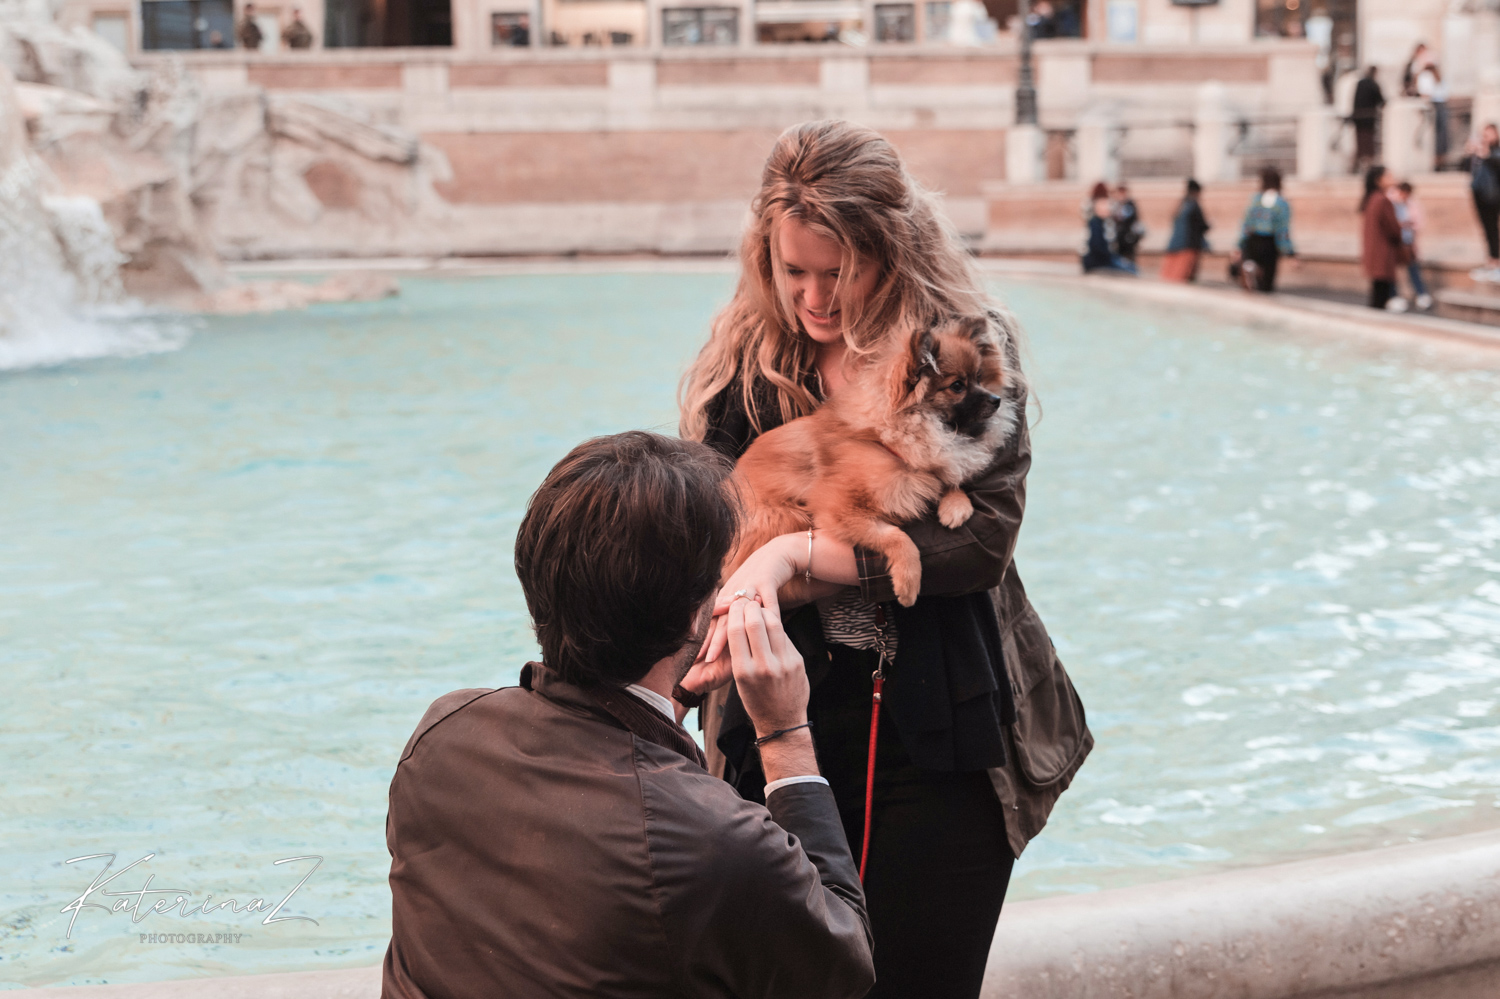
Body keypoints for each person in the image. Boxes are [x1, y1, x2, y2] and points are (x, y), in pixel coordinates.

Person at [677, 119, 1093, 999]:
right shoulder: (743, 372)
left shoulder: (964, 353)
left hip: (943, 735)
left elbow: (977, 541)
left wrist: (797, 554)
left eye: (841, 271)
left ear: (892, 251)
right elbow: (709, 543)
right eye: (794, 272)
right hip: (774, 734)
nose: (815, 297)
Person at [383, 432, 875, 999]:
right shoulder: (712, 838)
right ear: (697, 613)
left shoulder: (443, 732)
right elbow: (841, 964)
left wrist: (678, 697)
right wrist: (784, 733)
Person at [1234, 167, 1295, 293]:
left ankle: (1251, 268)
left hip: (1253, 241)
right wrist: (1289, 252)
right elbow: (1282, 229)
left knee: (1251, 290)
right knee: (1266, 285)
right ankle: (1257, 274)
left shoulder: (1255, 200)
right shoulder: (1282, 203)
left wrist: (1239, 245)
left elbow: (1246, 224)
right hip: (1269, 243)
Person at [1360, 165, 1408, 310]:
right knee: (1381, 295)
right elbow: (1393, 227)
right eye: (1388, 176)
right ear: (1378, 180)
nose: (1392, 179)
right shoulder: (1382, 200)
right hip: (1383, 252)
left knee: (1378, 292)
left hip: (1375, 251)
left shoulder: (1371, 199)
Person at [1391, 181, 1433, 311]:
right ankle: (1393, 296)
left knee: (1413, 269)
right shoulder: (1390, 203)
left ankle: (1421, 294)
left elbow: (1418, 223)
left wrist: (1408, 225)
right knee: (1391, 271)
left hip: (1408, 243)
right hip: (1394, 242)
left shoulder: (1412, 205)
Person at [1467, 123, 1500, 282]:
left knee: (1494, 230)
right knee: (1487, 230)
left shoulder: (1493, 153)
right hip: (1480, 195)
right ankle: (1492, 261)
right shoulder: (1479, 153)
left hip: (1494, 196)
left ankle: (1496, 262)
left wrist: (1487, 155)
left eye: (1488, 135)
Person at [1081, 181, 1136, 275]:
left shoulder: (1106, 222)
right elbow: (1098, 247)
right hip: (1098, 262)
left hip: (1107, 257)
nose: (1108, 207)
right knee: (1130, 270)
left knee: (1131, 268)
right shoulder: (1095, 223)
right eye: (1104, 204)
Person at [1161, 178, 1210, 282]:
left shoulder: (1180, 204)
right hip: (1188, 246)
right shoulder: (1193, 205)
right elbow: (1202, 225)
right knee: (1181, 279)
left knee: (1168, 278)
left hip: (1174, 245)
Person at [1416, 63, 1450, 169]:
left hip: (1434, 105)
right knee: (1440, 134)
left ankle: (1437, 161)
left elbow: (1425, 93)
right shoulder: (1437, 77)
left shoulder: (1425, 76)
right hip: (1440, 105)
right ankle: (1440, 160)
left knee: (1436, 135)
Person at [1352, 67, 1385, 173]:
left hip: (1359, 118)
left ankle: (1360, 164)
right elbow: (1381, 100)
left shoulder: (1360, 83)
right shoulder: (1372, 84)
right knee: (1368, 142)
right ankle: (1366, 164)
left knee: (1361, 143)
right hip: (1368, 119)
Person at [1112, 182, 1145, 266]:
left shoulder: (1130, 204)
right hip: (1118, 234)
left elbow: (1133, 218)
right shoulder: (1116, 204)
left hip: (1128, 234)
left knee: (1129, 253)